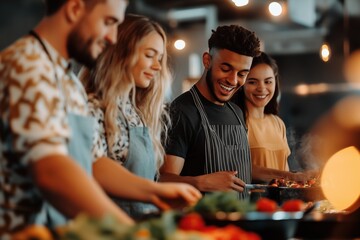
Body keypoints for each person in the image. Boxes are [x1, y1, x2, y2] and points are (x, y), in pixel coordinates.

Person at [0, 0, 200, 234]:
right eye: (109, 22)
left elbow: (93, 161)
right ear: (75, 9)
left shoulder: (69, 82)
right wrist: (132, 231)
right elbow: (53, 173)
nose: (113, 39)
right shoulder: (28, 66)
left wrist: (152, 191)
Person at [79, 14, 172, 219]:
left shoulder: (136, 112)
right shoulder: (92, 108)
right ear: (121, 53)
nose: (157, 67)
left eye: (160, 59)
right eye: (149, 55)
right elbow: (91, 172)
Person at [159, 25, 262, 199]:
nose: (233, 80)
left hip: (240, 221)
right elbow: (163, 180)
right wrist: (201, 183)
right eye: (226, 69)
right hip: (200, 223)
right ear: (207, 60)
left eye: (242, 74)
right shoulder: (181, 112)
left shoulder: (236, 112)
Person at [233, 52, 290, 171]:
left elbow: (285, 171)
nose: (262, 88)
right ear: (242, 84)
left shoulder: (278, 123)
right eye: (252, 82)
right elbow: (236, 170)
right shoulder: (235, 122)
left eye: (268, 81)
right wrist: (288, 176)